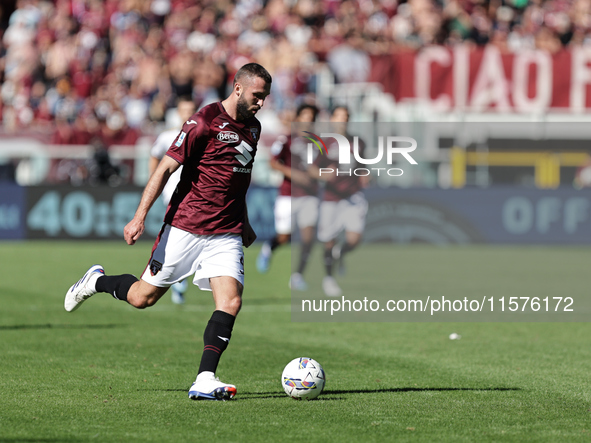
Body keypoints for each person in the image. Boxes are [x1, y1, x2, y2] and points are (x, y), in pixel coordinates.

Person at [64, 63, 272, 401]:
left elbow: (237, 182)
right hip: (185, 226)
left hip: (225, 231)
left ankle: (205, 378)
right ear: (237, 88)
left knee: (231, 301)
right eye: (256, 96)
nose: (261, 103)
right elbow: (164, 167)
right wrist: (139, 216)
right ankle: (96, 281)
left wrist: (244, 222)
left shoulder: (254, 129)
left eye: (265, 97)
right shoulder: (203, 121)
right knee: (141, 298)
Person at [256, 103, 320, 290]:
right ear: (298, 118)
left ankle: (298, 276)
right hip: (288, 194)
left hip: (309, 195)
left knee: (308, 238)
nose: (308, 121)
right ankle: (269, 248)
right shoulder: (288, 138)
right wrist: (293, 173)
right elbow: (273, 163)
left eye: (312, 117)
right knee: (284, 236)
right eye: (305, 116)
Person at [310, 106, 369, 297]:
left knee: (354, 239)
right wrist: (322, 175)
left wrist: (364, 175)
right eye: (339, 116)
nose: (342, 120)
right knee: (328, 241)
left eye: (346, 117)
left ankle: (341, 253)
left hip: (352, 196)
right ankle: (329, 279)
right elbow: (312, 169)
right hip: (331, 198)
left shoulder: (358, 142)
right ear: (332, 118)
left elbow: (362, 166)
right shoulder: (324, 142)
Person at [148, 96, 197, 304]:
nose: (188, 114)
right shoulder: (168, 136)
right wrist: (154, 181)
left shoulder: (202, 134)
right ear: (178, 112)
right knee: (180, 232)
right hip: (172, 192)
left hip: (194, 193)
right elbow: (154, 156)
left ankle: (175, 277)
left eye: (191, 110)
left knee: (188, 234)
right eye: (184, 110)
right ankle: (173, 278)